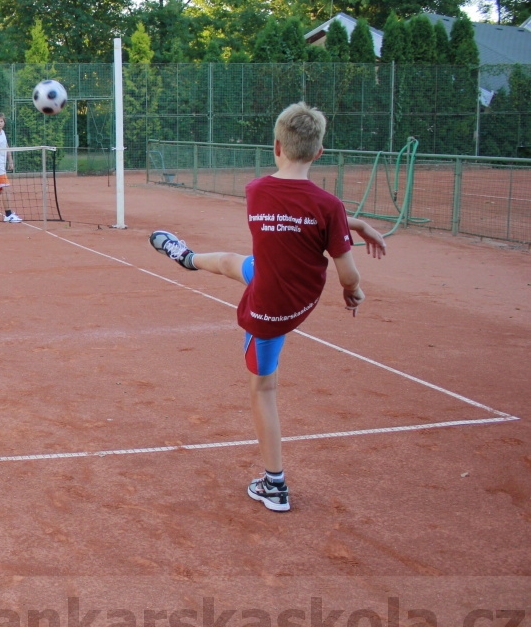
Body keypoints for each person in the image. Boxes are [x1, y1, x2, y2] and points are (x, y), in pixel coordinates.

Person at [149, 102, 387, 513]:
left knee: (263, 388)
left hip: (271, 306)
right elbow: (342, 263)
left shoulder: (255, 190)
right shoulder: (329, 206)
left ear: (276, 146)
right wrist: (354, 285)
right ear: (319, 153)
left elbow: (297, 208)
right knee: (232, 262)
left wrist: (350, 242)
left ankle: (274, 485)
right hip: (300, 292)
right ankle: (185, 257)